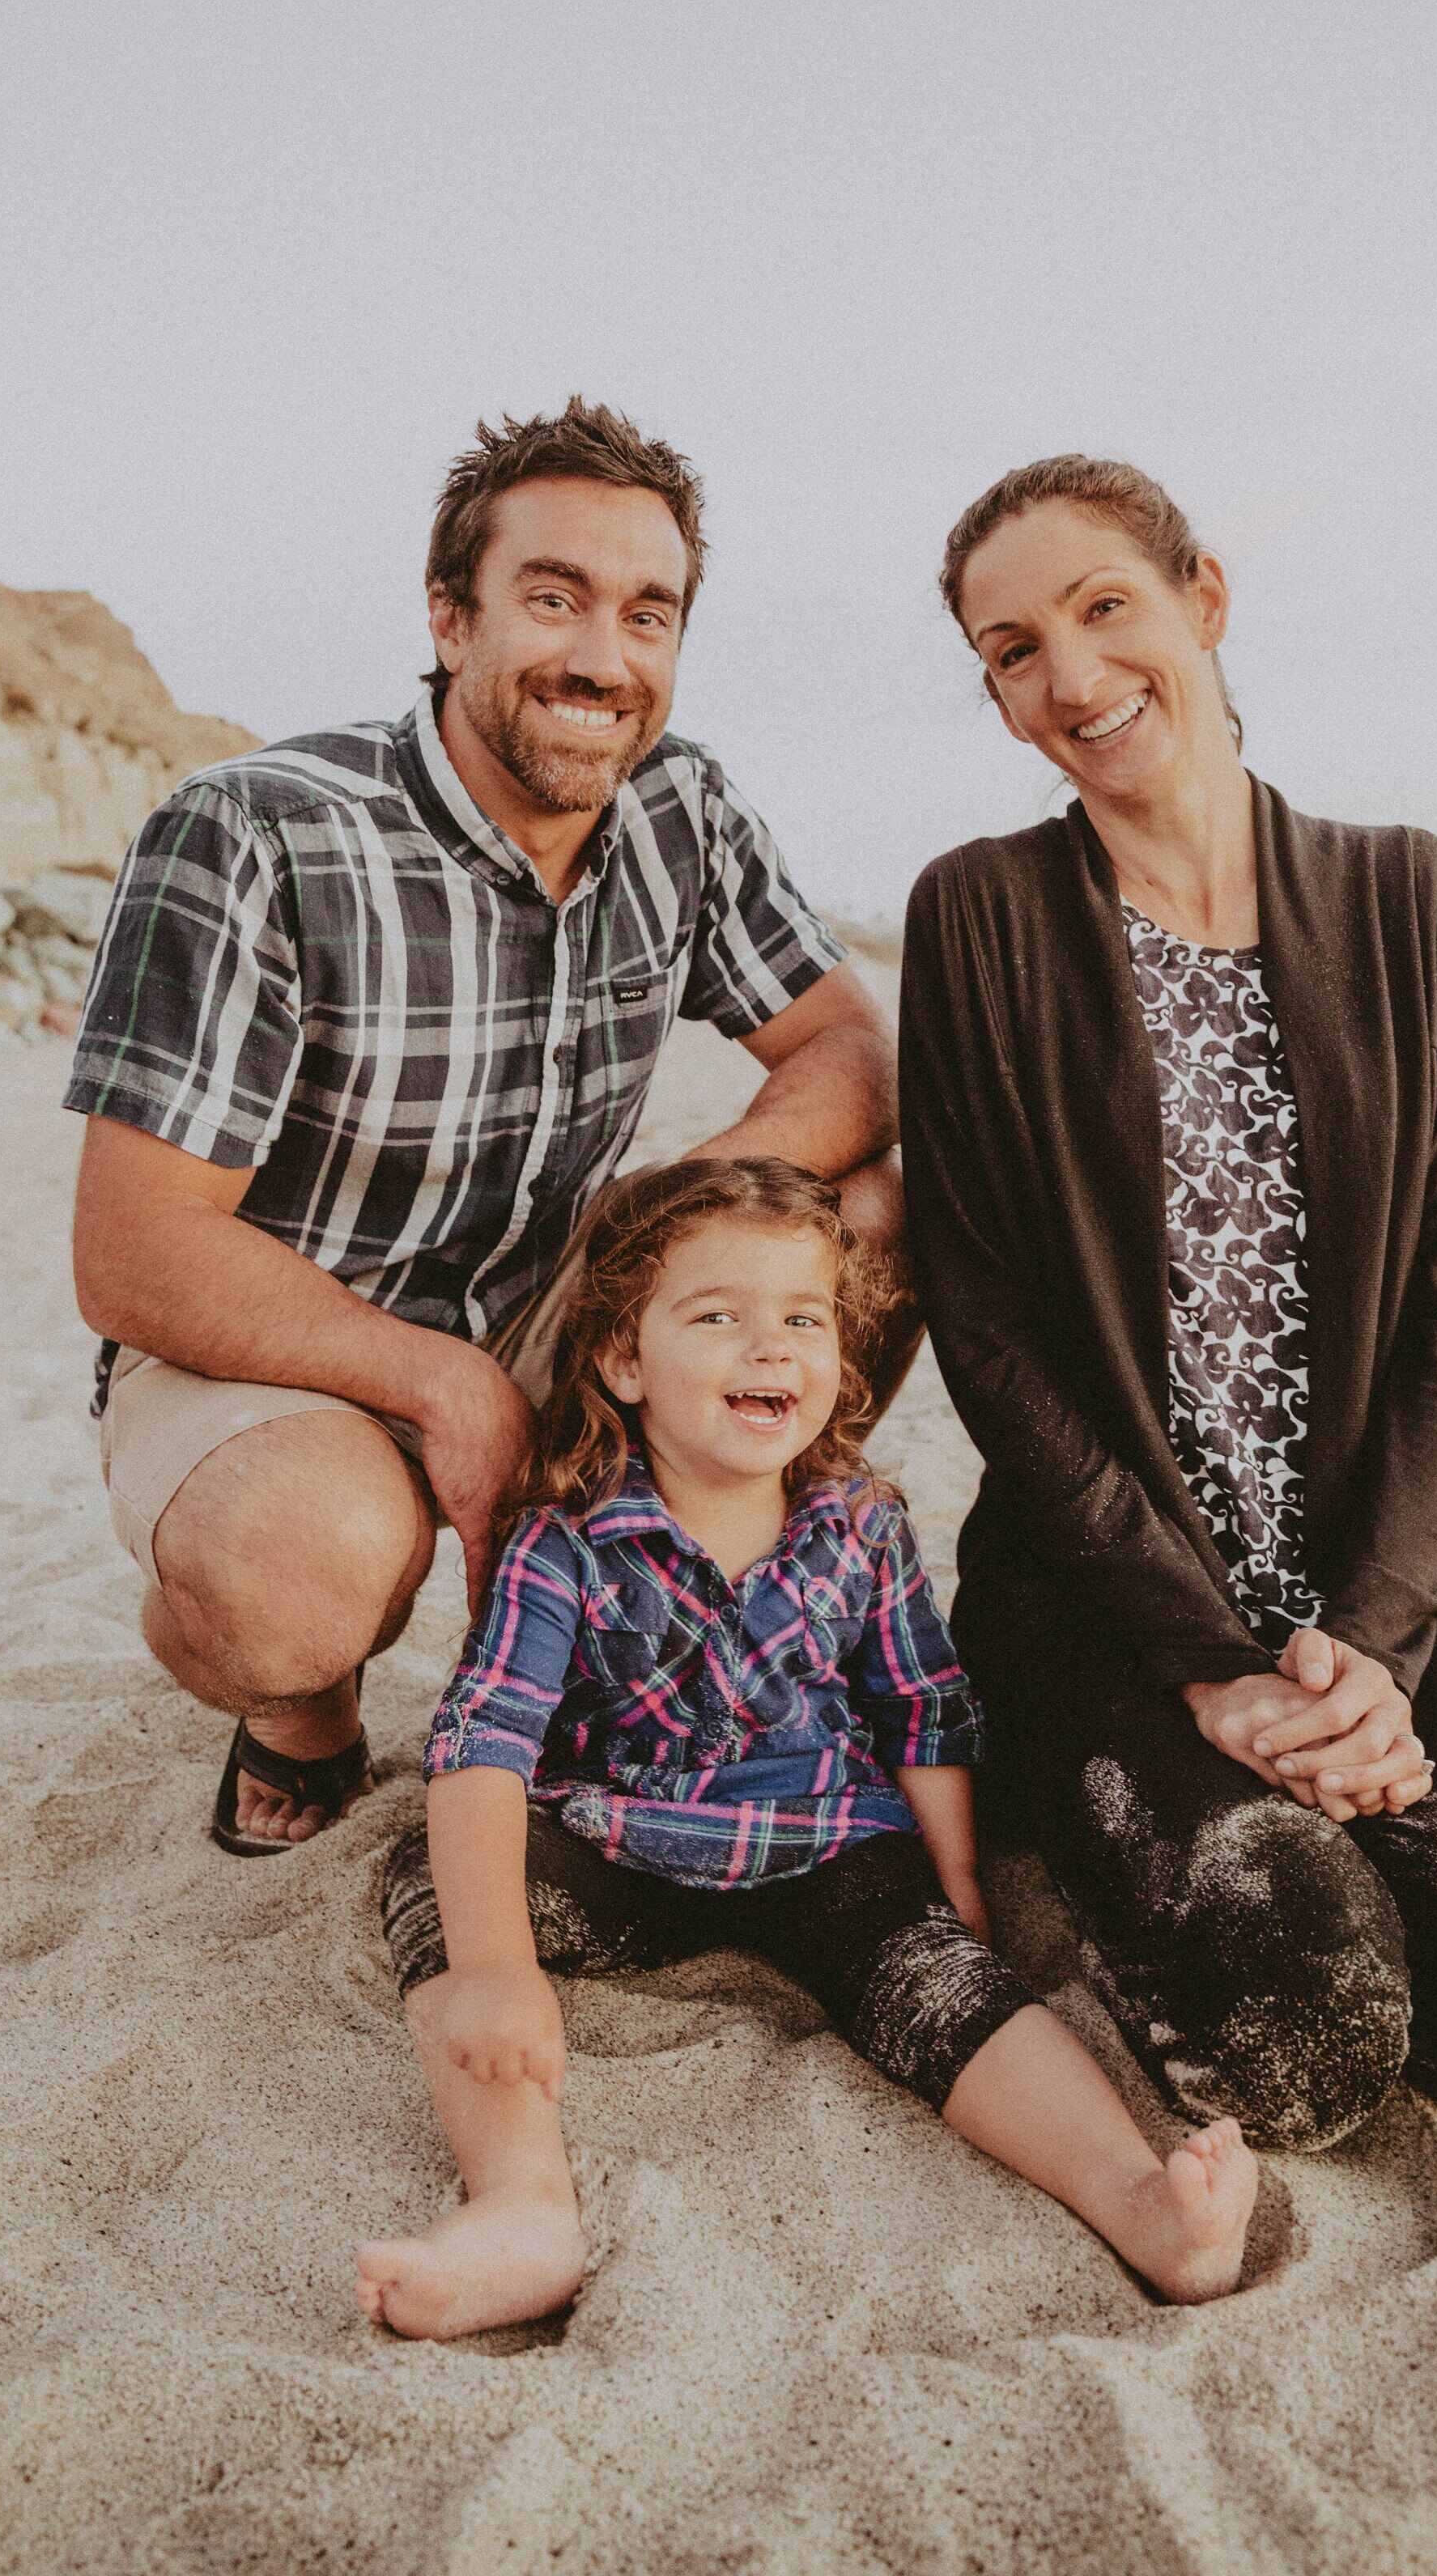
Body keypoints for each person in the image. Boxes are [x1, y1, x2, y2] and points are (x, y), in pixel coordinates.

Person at [897, 453, 1437, 2152]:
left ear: (1202, 599)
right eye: (1011, 651)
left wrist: (1368, 1649)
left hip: (1393, 1572)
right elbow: (985, 1324)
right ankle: (1161, 1806)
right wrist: (1214, 1668)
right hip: (1110, 1589)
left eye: (1102, 609)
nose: (1069, 678)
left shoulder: (1414, 895)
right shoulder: (982, 916)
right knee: (1309, 2024)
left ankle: (1361, 1753)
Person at [66, 398, 914, 1854]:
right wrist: (448, 1389)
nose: (603, 656)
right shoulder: (257, 829)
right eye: (552, 598)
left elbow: (847, 1045)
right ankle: (301, 1716)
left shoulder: (682, 808)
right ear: (453, 619)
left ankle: (687, 1634)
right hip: (277, 1349)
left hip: (552, 1303)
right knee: (301, 1574)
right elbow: (134, 1250)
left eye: (648, 614)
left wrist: (690, 1198)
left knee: (884, 1217)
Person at [354, 1155, 1257, 2338]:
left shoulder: (862, 1528)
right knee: (439, 1885)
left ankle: (1142, 2203)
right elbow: (485, 1744)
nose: (770, 1349)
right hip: (622, 1836)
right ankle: (524, 2205)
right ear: (626, 1360)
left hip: (828, 1848)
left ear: (842, 1354)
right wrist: (495, 1972)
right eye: (718, 1318)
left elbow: (924, 1709)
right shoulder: (562, 1544)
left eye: (803, 1321)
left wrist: (961, 1898)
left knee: (951, 1991)